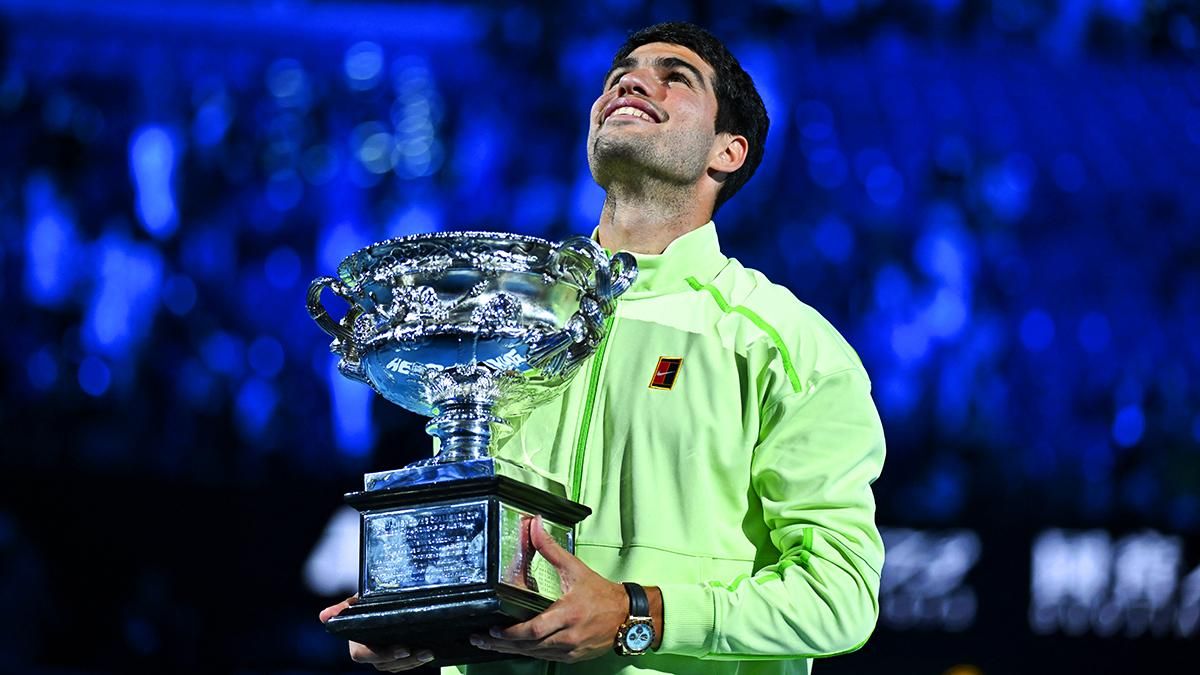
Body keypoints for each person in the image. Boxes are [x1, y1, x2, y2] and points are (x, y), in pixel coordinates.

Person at [321, 21, 886, 675]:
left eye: (676, 77)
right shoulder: (511, 315)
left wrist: (635, 614)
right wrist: (421, 599)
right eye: (622, 71)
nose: (632, 78)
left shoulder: (782, 343)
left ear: (728, 152)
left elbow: (839, 598)